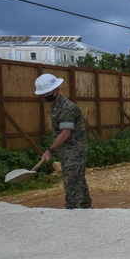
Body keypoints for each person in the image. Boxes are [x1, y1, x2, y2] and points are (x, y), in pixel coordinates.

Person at [36, 73, 92, 209]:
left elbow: (65, 133)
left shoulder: (67, 108)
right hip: (66, 151)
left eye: (47, 93)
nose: (45, 96)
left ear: (57, 89)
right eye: (43, 94)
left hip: (75, 150)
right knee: (77, 178)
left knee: (71, 181)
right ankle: (86, 206)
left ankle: (71, 209)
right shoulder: (55, 106)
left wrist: (50, 150)